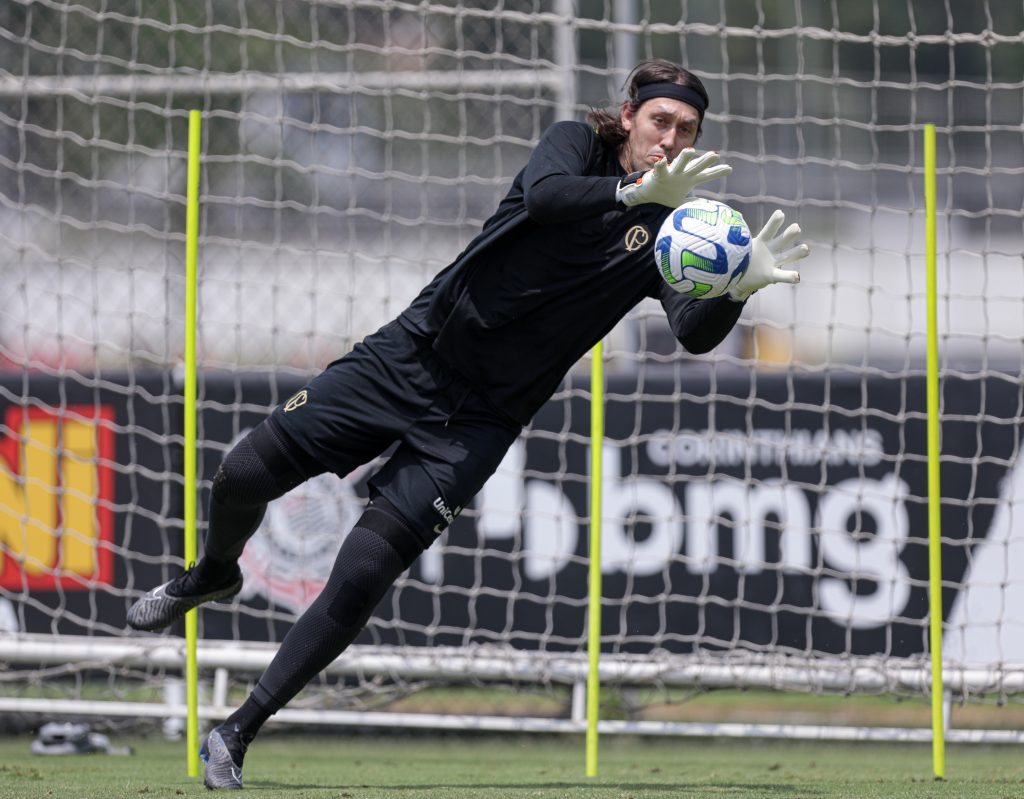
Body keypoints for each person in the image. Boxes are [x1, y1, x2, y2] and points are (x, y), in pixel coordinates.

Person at [127, 58, 809, 790]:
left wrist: (737, 286)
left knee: (363, 571)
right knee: (244, 472)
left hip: (478, 421)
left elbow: (693, 332)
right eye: (661, 121)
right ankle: (213, 571)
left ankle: (236, 731)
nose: (671, 138)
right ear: (630, 115)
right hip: (409, 357)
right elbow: (547, 201)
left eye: (687, 130)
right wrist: (635, 189)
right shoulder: (575, 147)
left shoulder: (676, 228)